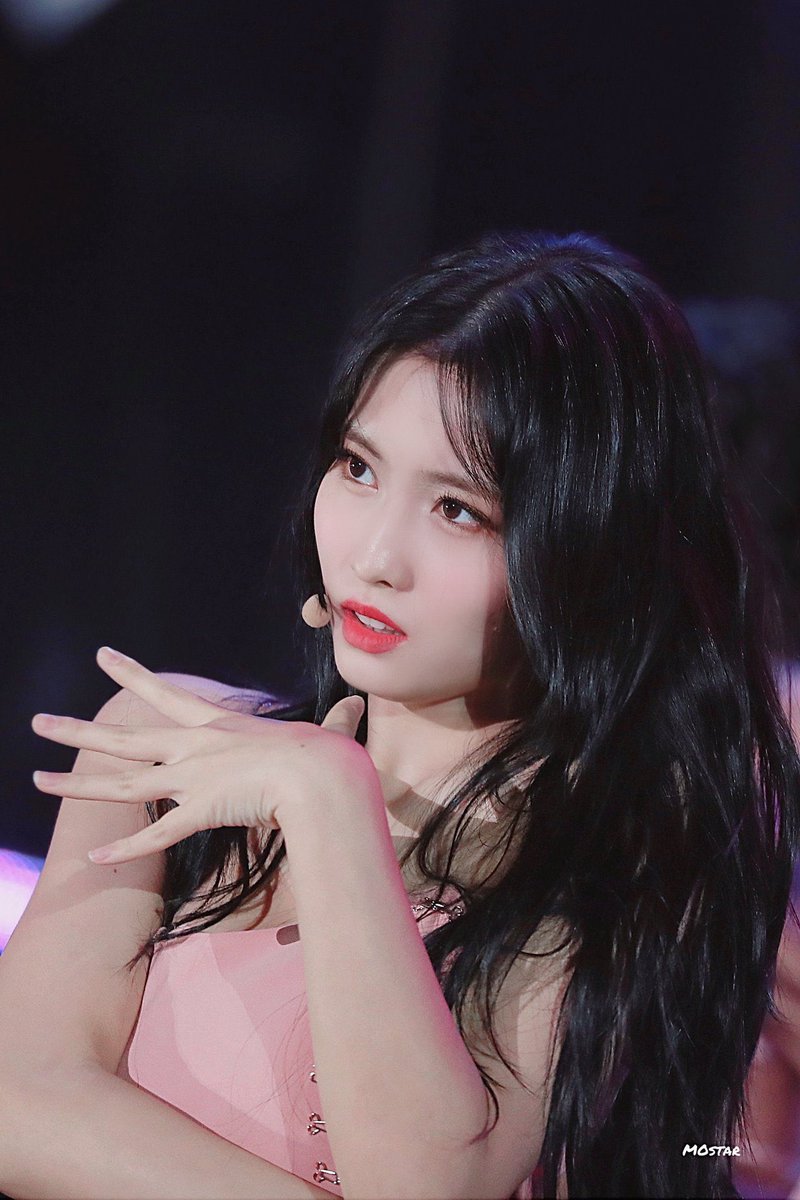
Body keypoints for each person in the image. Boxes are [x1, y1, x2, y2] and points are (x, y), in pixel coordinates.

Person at [1, 231, 798, 1200]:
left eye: (458, 510)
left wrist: (331, 804)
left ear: (586, 550)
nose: (375, 556)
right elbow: (18, 1104)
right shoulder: (165, 742)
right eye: (358, 467)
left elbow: (424, 1182)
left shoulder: (616, 866)